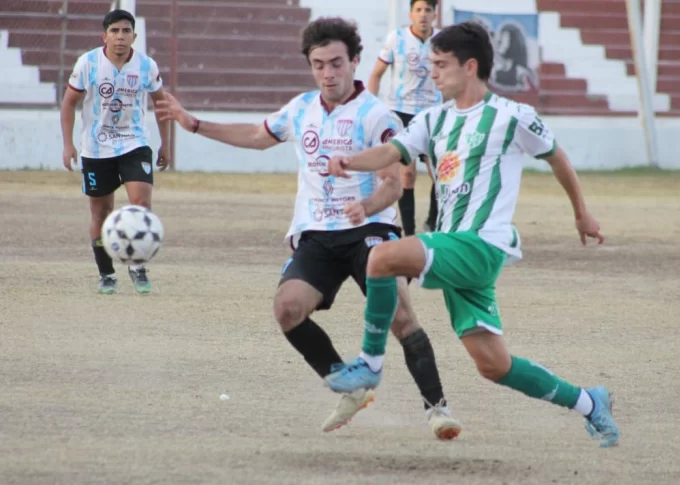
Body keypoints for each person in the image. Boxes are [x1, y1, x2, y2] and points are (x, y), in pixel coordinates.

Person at [155, 17, 461, 440]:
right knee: (287, 309)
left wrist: (366, 205)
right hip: (317, 233)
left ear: (355, 61)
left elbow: (394, 185)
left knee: (401, 318)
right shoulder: (300, 109)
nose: (328, 73)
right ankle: (348, 383)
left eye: (336, 63)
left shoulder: (377, 115)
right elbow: (256, 135)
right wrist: (193, 124)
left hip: (369, 230)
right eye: (318, 64)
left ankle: (437, 410)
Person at [323, 21, 620, 448]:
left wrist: (582, 214)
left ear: (470, 66)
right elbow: (392, 151)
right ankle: (591, 403)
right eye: (430, 65)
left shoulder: (512, 116)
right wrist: (350, 161)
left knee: (380, 258)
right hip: (455, 247)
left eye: (441, 65)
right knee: (493, 365)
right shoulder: (434, 119)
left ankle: (370, 363)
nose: (433, 74)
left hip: (482, 244)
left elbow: (557, 158)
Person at [60, 9, 171, 294]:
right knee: (101, 211)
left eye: (125, 31)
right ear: (104, 36)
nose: (120, 37)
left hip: (134, 143)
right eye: (114, 31)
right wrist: (69, 144)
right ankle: (106, 273)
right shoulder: (88, 63)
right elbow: (68, 103)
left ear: (134, 36)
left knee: (140, 204)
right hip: (96, 148)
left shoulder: (146, 66)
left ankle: (137, 266)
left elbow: (161, 105)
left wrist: (165, 143)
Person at [368, 0, 441, 236]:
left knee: (440, 174)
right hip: (401, 113)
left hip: (432, 113)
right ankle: (409, 233)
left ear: (434, 14)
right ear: (410, 14)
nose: (423, 15)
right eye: (418, 10)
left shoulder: (442, 42)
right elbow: (376, 74)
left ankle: (433, 221)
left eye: (428, 10)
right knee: (407, 174)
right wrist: (372, 107)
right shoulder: (396, 39)